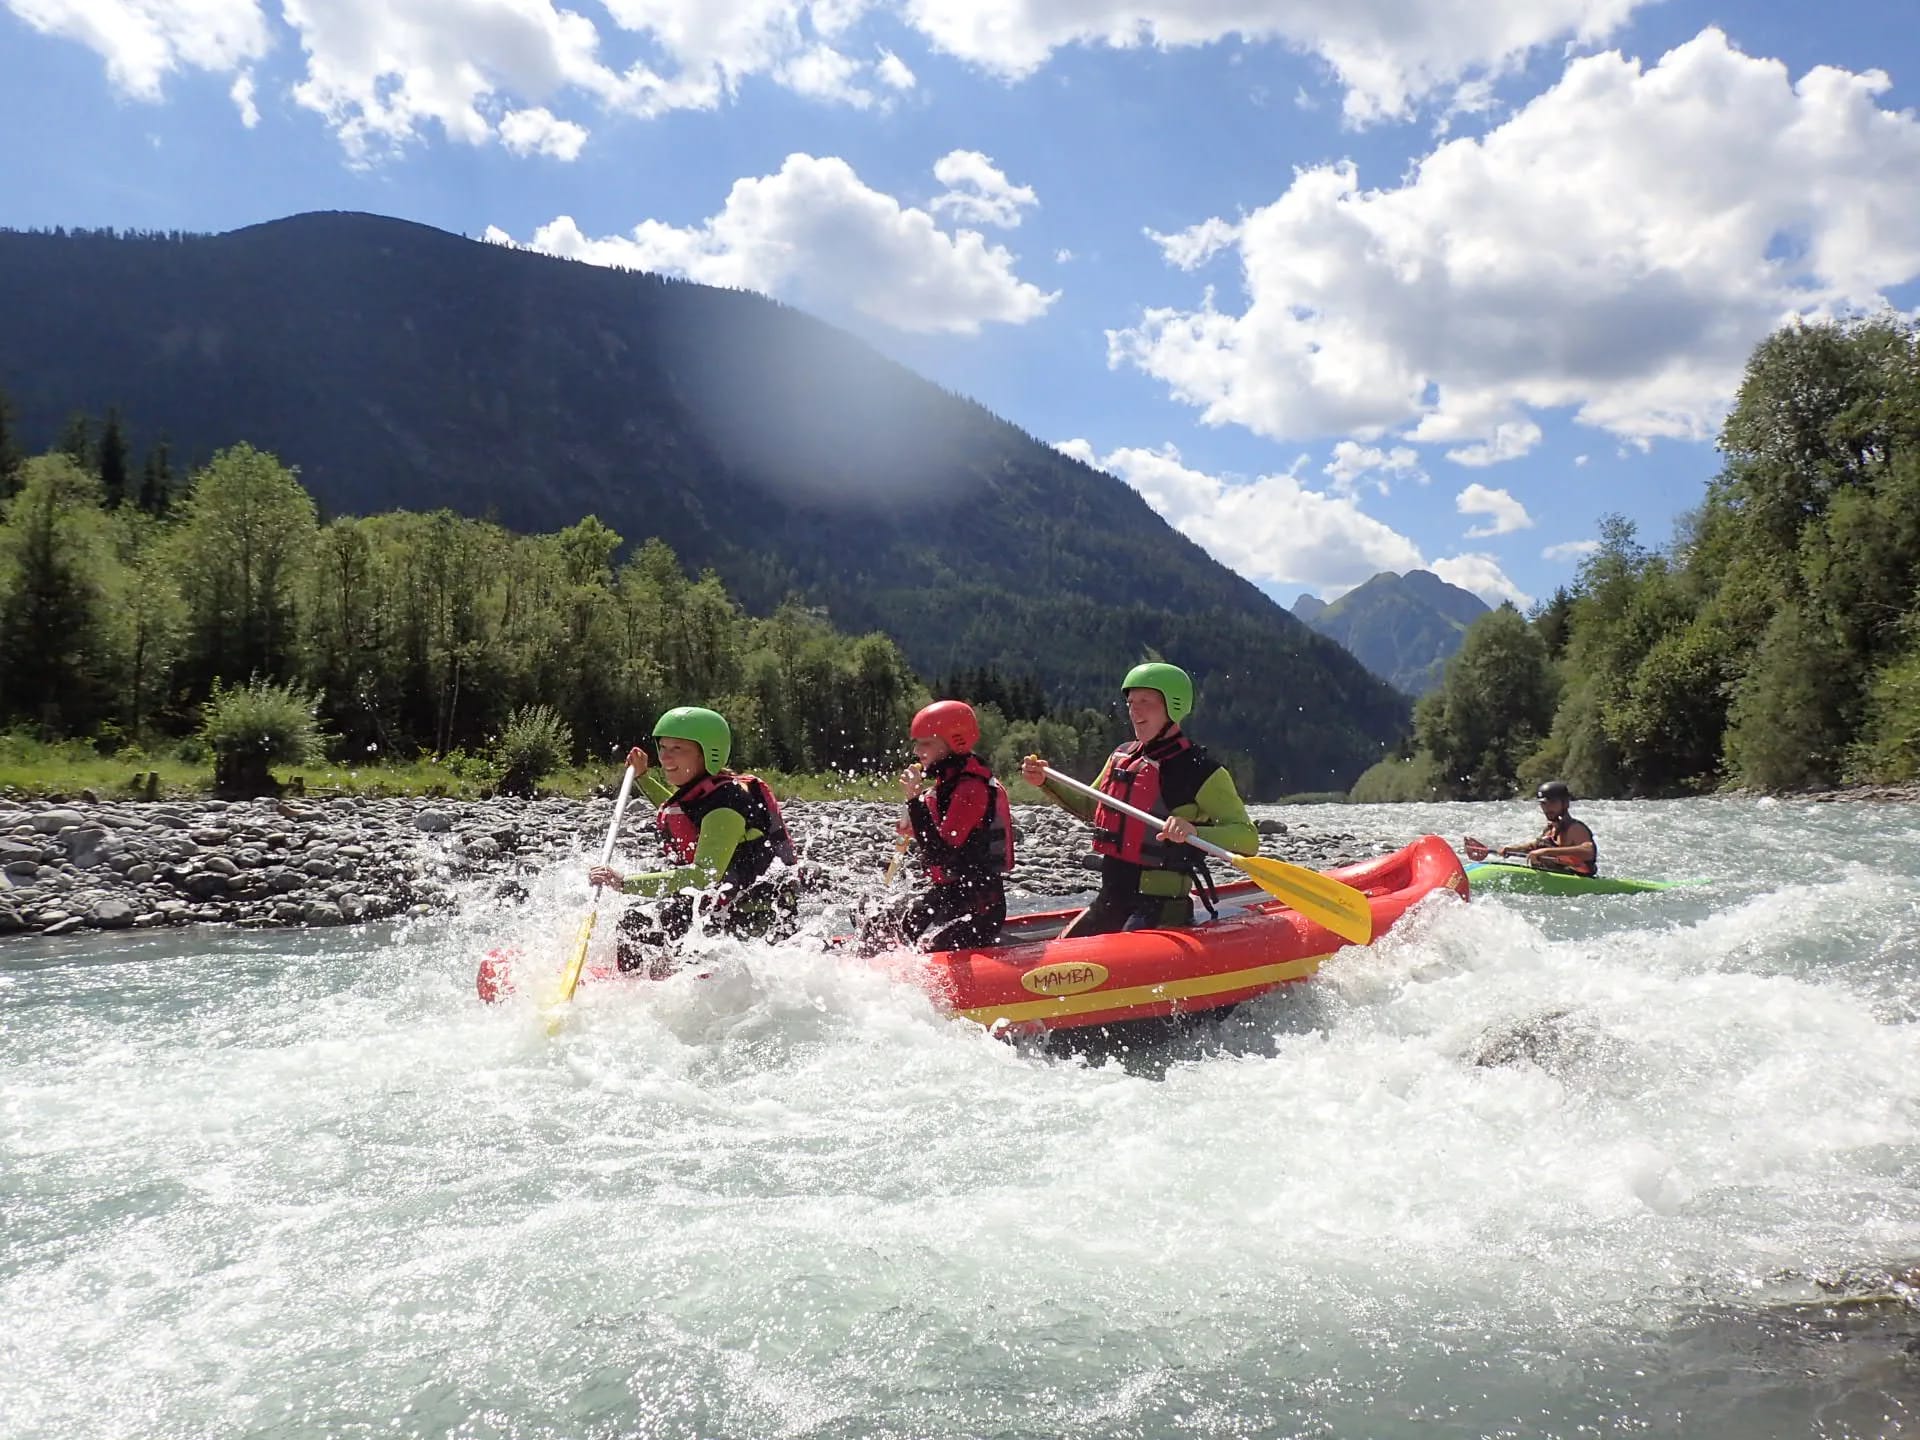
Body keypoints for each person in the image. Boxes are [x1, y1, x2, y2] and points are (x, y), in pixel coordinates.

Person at [1020, 662, 1257, 937]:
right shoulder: (1122, 756)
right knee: (1064, 950)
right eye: (1131, 702)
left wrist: (1194, 831)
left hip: (1161, 908)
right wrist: (1045, 780)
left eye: (1146, 701)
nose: (1135, 710)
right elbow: (1091, 807)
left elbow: (1248, 838)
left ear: (1174, 706)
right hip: (1111, 900)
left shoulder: (1201, 770)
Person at [588, 706, 799, 976]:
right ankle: (653, 977)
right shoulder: (706, 793)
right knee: (649, 916)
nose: (665, 757)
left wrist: (624, 883)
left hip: (753, 914)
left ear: (708, 753)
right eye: (663, 747)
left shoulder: (726, 805)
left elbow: (704, 877)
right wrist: (642, 777)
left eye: (677, 748)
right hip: (728, 903)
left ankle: (642, 988)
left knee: (638, 921)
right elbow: (679, 812)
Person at [857, 699, 1015, 954]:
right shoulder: (947, 785)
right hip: (950, 895)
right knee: (881, 927)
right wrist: (915, 821)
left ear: (955, 741)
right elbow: (938, 836)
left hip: (979, 909)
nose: (918, 751)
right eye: (917, 743)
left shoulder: (971, 788)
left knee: (925, 948)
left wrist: (913, 800)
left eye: (926, 743)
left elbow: (940, 853)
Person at [1463, 780, 1598, 876]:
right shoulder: (1550, 829)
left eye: (1552, 803)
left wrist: (1545, 852)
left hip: (1578, 878)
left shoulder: (1575, 828)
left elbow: (1588, 851)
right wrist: (1512, 849)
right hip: (1559, 875)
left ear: (1565, 803)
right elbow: (1535, 845)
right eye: (1543, 804)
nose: (1547, 808)